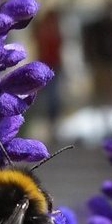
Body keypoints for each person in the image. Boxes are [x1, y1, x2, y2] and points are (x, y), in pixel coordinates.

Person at [81, 0, 112, 104]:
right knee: (99, 89)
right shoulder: (97, 26)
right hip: (99, 61)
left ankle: (109, 107)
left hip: (111, 61)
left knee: (110, 89)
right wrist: (91, 58)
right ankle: (98, 107)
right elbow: (90, 43)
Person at [34, 8, 65, 143]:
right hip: (45, 66)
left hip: (55, 66)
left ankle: (53, 126)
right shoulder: (45, 30)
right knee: (48, 98)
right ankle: (47, 125)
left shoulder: (55, 30)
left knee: (53, 98)